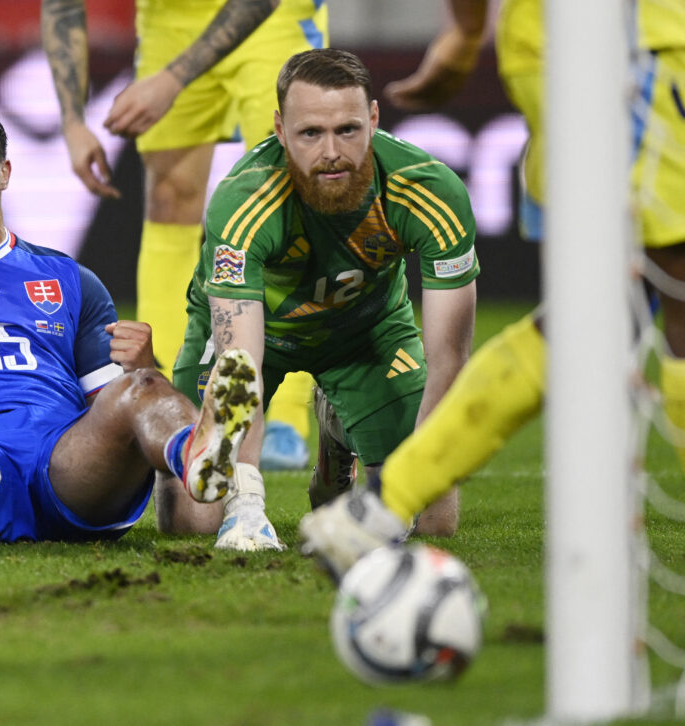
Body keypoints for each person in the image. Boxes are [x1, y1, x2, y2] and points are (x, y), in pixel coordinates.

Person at [300, 0, 685, 579]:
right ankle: (384, 504)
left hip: (610, 42)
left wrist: (467, 29)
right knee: (663, 292)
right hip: (633, 42)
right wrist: (466, 28)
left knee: (596, 315)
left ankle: (382, 503)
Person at [0, 97, 261, 548]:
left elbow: (116, 415)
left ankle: (197, 454)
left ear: (3, 172)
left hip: (69, 468)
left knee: (140, 389)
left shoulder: (72, 281)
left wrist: (145, 372)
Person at [165, 48, 479, 551]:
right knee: (191, 520)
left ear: (373, 119)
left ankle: (338, 429)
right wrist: (246, 506)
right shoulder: (243, 200)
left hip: (365, 333)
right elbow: (239, 363)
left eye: (347, 130)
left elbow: (450, 358)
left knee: (435, 519)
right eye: (311, 133)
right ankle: (216, 469)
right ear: (279, 129)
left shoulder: (430, 191)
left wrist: (404, 490)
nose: (331, 151)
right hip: (256, 340)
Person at [41, 0, 328, 471]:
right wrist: (72, 122)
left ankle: (288, 418)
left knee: (288, 194)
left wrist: (171, 81)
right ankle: (166, 404)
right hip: (169, 20)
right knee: (170, 199)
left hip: (272, 18)